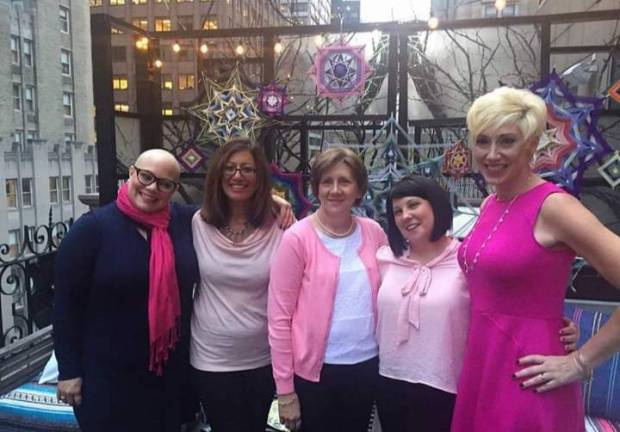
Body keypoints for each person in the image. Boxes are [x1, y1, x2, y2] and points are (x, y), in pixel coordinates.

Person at [452, 86, 620, 432]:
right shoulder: (490, 204)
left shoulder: (554, 206)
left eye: (507, 141)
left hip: (529, 374)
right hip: (483, 364)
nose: (492, 154)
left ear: (531, 145)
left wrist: (581, 362)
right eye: (483, 141)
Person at [375, 176, 577, 432]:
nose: (406, 215)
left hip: (446, 385)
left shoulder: (466, 260)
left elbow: (506, 302)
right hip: (390, 380)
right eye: (397, 211)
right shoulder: (385, 259)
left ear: (435, 205)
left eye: (413, 205)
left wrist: (560, 325)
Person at [54, 149, 199, 432]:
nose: (152, 188)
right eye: (146, 176)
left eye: (165, 183)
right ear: (132, 173)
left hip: (167, 374)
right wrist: (68, 371)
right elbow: (66, 305)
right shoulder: (92, 230)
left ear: (174, 189)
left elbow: (228, 209)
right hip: (107, 375)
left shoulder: (182, 222)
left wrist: (273, 200)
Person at [268, 148, 387, 432]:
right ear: (316, 188)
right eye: (327, 181)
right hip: (315, 373)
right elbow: (279, 319)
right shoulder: (297, 238)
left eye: (344, 181)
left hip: (366, 365)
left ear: (358, 189)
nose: (335, 190)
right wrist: (285, 390)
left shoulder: (373, 232)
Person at [190, 138, 287, 432]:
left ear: (260, 178)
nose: (237, 176)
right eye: (230, 168)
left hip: (263, 356)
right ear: (218, 175)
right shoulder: (197, 223)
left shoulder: (281, 225)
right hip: (211, 356)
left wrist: (278, 202)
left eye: (247, 169)